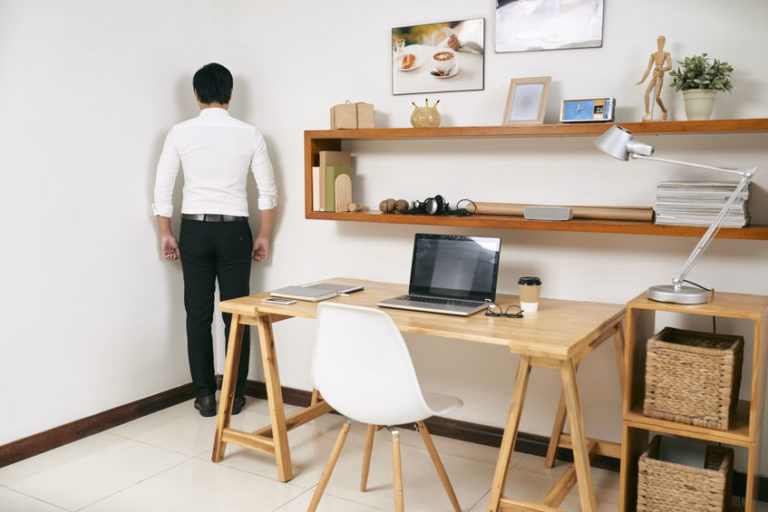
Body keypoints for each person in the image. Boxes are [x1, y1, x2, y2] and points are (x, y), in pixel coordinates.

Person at [153, 63, 277, 417]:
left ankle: (205, 396)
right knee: (237, 316)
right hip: (235, 230)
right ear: (230, 94)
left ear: (196, 94)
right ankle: (235, 396)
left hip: (193, 229)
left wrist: (165, 231)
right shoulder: (249, 133)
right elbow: (267, 193)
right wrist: (264, 235)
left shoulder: (179, 133)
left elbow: (163, 189)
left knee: (197, 314)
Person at [637, 35, 672, 121]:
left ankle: (664, 110)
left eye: (662, 42)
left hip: (660, 76)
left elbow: (670, 66)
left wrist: (662, 69)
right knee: (646, 94)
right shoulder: (654, 55)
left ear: (664, 43)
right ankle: (647, 112)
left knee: (656, 97)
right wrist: (642, 80)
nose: (660, 43)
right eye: (659, 42)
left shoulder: (666, 54)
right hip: (654, 75)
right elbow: (648, 69)